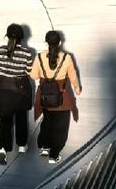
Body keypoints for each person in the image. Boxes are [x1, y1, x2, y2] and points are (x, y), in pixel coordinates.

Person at [33, 30, 81, 163]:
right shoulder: (67, 57)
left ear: (46, 42)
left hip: (45, 98)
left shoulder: (39, 57)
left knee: (47, 122)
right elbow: (73, 77)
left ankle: (44, 147)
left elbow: (34, 75)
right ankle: (54, 155)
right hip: (62, 98)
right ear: (59, 42)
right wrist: (77, 89)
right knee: (61, 127)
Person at [0, 24, 35, 163]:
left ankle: (3, 148)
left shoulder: (1, 50)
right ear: (22, 37)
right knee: (21, 117)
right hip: (20, 90)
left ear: (7, 36)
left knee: (5, 121)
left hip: (3, 90)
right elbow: (29, 71)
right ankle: (21, 145)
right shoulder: (27, 53)